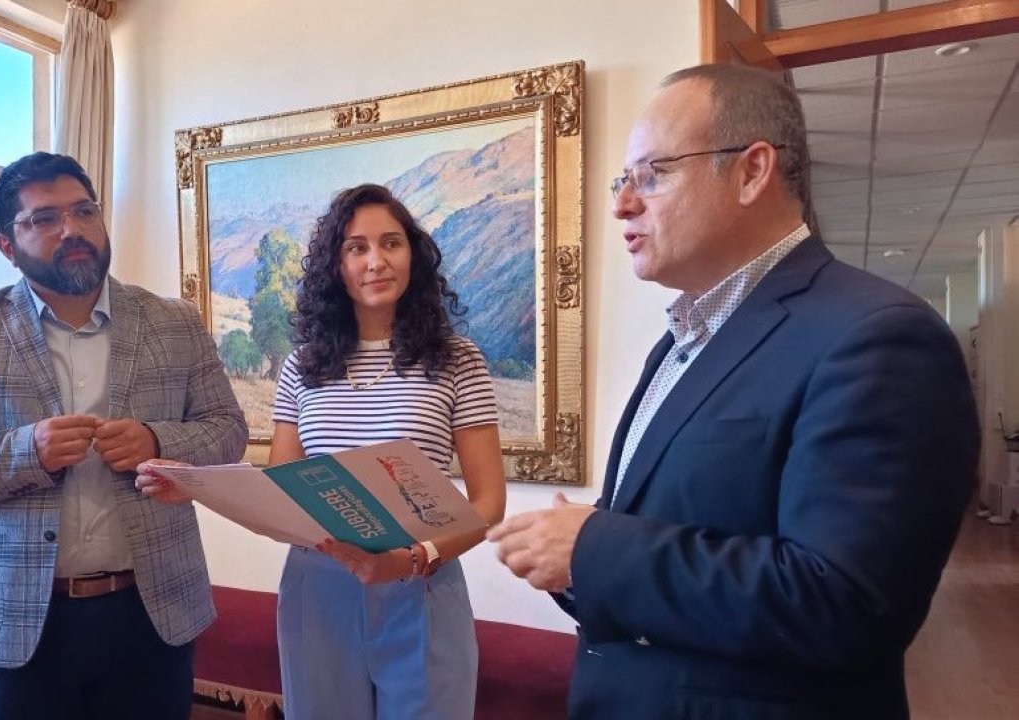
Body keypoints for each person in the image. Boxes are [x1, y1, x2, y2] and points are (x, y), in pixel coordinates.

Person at [488, 64, 979, 719]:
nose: (622, 205)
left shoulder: (879, 336)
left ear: (752, 171)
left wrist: (592, 549)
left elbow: (845, 604)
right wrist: (572, 561)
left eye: (652, 174)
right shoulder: (684, 338)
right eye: (620, 180)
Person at [0, 152, 247, 720]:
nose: (72, 229)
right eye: (44, 218)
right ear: (7, 246)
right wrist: (25, 450)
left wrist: (158, 442)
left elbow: (228, 430)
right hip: (16, 623)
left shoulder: (174, 322)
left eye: (84, 211)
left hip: (152, 613)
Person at [268, 183, 506, 720]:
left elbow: (488, 504)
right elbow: (281, 486)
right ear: (335, 265)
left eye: (391, 243)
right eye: (356, 247)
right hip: (318, 585)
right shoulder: (301, 365)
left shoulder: (458, 360)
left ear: (413, 256)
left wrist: (413, 560)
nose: (375, 261)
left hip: (421, 581)